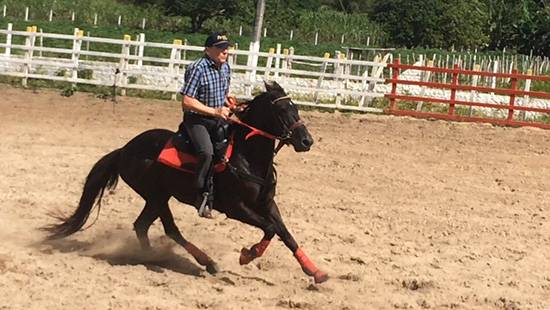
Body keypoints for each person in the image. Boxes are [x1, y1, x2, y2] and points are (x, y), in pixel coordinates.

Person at [179, 32, 233, 218]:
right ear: (208, 50)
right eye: (220, 48)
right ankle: (197, 193)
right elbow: (187, 101)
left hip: (217, 119)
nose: (225, 51)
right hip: (196, 120)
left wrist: (228, 102)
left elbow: (223, 93)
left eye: (226, 48)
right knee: (206, 152)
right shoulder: (197, 68)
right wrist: (215, 111)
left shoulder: (225, 68)